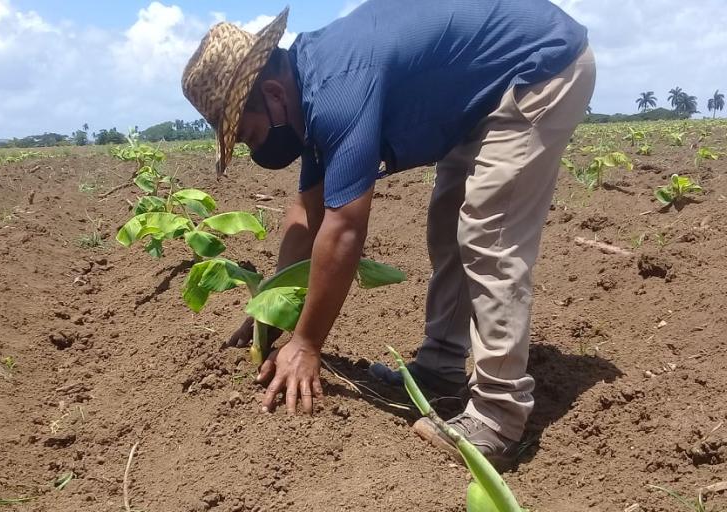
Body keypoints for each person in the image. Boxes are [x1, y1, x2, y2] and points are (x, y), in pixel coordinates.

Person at [181, 0, 595, 470]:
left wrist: (307, 343)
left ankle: (499, 417)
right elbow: (307, 214)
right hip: (484, 89)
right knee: (448, 227)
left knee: (488, 234)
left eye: (251, 135)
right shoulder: (310, 87)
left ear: (273, 94)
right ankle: (440, 370)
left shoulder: (336, 88)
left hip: (538, 64)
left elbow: (344, 229)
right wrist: (269, 310)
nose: (257, 148)